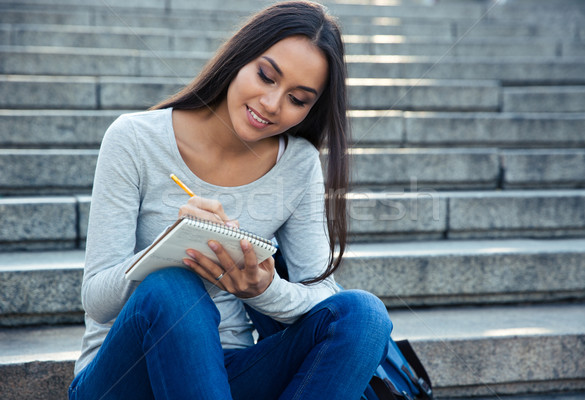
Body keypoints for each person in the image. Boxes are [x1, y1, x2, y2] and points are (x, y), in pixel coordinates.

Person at [69, 1, 392, 399]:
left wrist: (263, 290)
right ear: (240, 57)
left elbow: (321, 292)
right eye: (266, 76)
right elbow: (97, 300)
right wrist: (168, 247)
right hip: (123, 376)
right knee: (173, 285)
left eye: (298, 99)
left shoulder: (298, 163)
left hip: (228, 374)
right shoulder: (134, 139)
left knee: (364, 315)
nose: (272, 105)